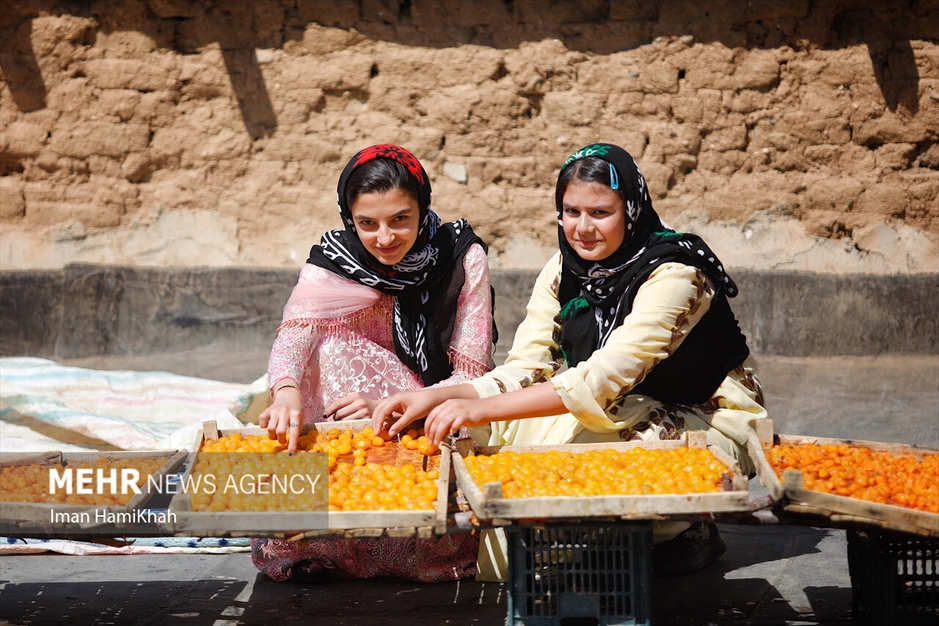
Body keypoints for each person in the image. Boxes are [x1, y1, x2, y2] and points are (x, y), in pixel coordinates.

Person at [373, 143, 767, 578]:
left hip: (703, 415)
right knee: (472, 432)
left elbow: (600, 379)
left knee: (612, 471)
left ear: (631, 208)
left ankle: (681, 531)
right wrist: (436, 398)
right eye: (570, 211)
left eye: (600, 212)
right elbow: (526, 369)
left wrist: (477, 405)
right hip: (615, 408)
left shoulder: (675, 274)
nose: (582, 228)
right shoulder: (565, 269)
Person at [253, 144, 496, 582]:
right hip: (341, 424)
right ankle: (327, 512)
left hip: (426, 420)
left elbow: (471, 374)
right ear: (351, 220)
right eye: (367, 224)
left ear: (423, 208)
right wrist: (285, 392)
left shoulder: (461, 258)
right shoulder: (331, 262)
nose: (385, 238)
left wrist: (393, 406)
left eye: (400, 219)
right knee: (326, 346)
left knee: (437, 534)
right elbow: (294, 336)